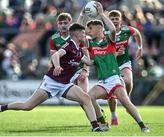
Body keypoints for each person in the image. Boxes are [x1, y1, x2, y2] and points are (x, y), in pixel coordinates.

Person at [0, 23, 103, 132]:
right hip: (52, 82)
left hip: (65, 84)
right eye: (83, 33)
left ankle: (95, 126)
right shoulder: (69, 45)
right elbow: (56, 54)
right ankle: (1, 108)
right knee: (27, 106)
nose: (85, 34)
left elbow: (89, 62)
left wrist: (101, 54)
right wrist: (57, 66)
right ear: (76, 34)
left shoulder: (79, 50)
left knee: (85, 98)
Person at [86, 2, 149, 132]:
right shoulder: (92, 45)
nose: (89, 32)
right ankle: (103, 123)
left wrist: (102, 14)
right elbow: (92, 62)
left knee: (126, 101)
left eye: (91, 29)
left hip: (114, 79)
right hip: (103, 81)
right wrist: (82, 60)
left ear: (99, 29)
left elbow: (114, 31)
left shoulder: (109, 41)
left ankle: (143, 126)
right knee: (89, 96)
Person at [106, 10, 143, 125]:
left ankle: (127, 101)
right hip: (110, 64)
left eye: (117, 18)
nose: (114, 21)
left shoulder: (127, 30)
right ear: (108, 21)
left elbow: (137, 33)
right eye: (112, 19)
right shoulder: (105, 33)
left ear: (121, 20)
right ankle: (113, 114)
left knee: (128, 80)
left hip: (124, 62)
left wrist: (140, 47)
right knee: (112, 92)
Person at [49, 12, 89, 93]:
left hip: (78, 70)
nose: (63, 25)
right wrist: (55, 67)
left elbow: (85, 53)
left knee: (85, 97)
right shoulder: (54, 38)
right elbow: (53, 56)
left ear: (70, 23)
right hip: (65, 72)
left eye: (65, 23)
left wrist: (85, 70)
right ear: (57, 24)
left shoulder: (77, 36)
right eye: (60, 23)